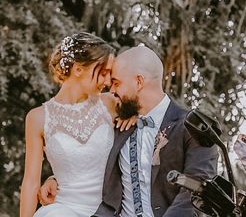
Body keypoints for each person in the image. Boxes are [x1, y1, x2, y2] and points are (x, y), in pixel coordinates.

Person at [40, 45, 219, 216]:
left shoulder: (192, 128)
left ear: (139, 82)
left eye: (117, 83)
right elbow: (88, 159)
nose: (112, 90)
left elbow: (197, 190)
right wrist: (59, 181)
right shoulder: (119, 123)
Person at [20, 32, 133, 217]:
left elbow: (147, 114)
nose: (107, 82)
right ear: (78, 69)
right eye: (103, 73)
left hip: (109, 209)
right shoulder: (37, 118)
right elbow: (31, 182)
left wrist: (135, 116)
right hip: (64, 209)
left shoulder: (111, 104)